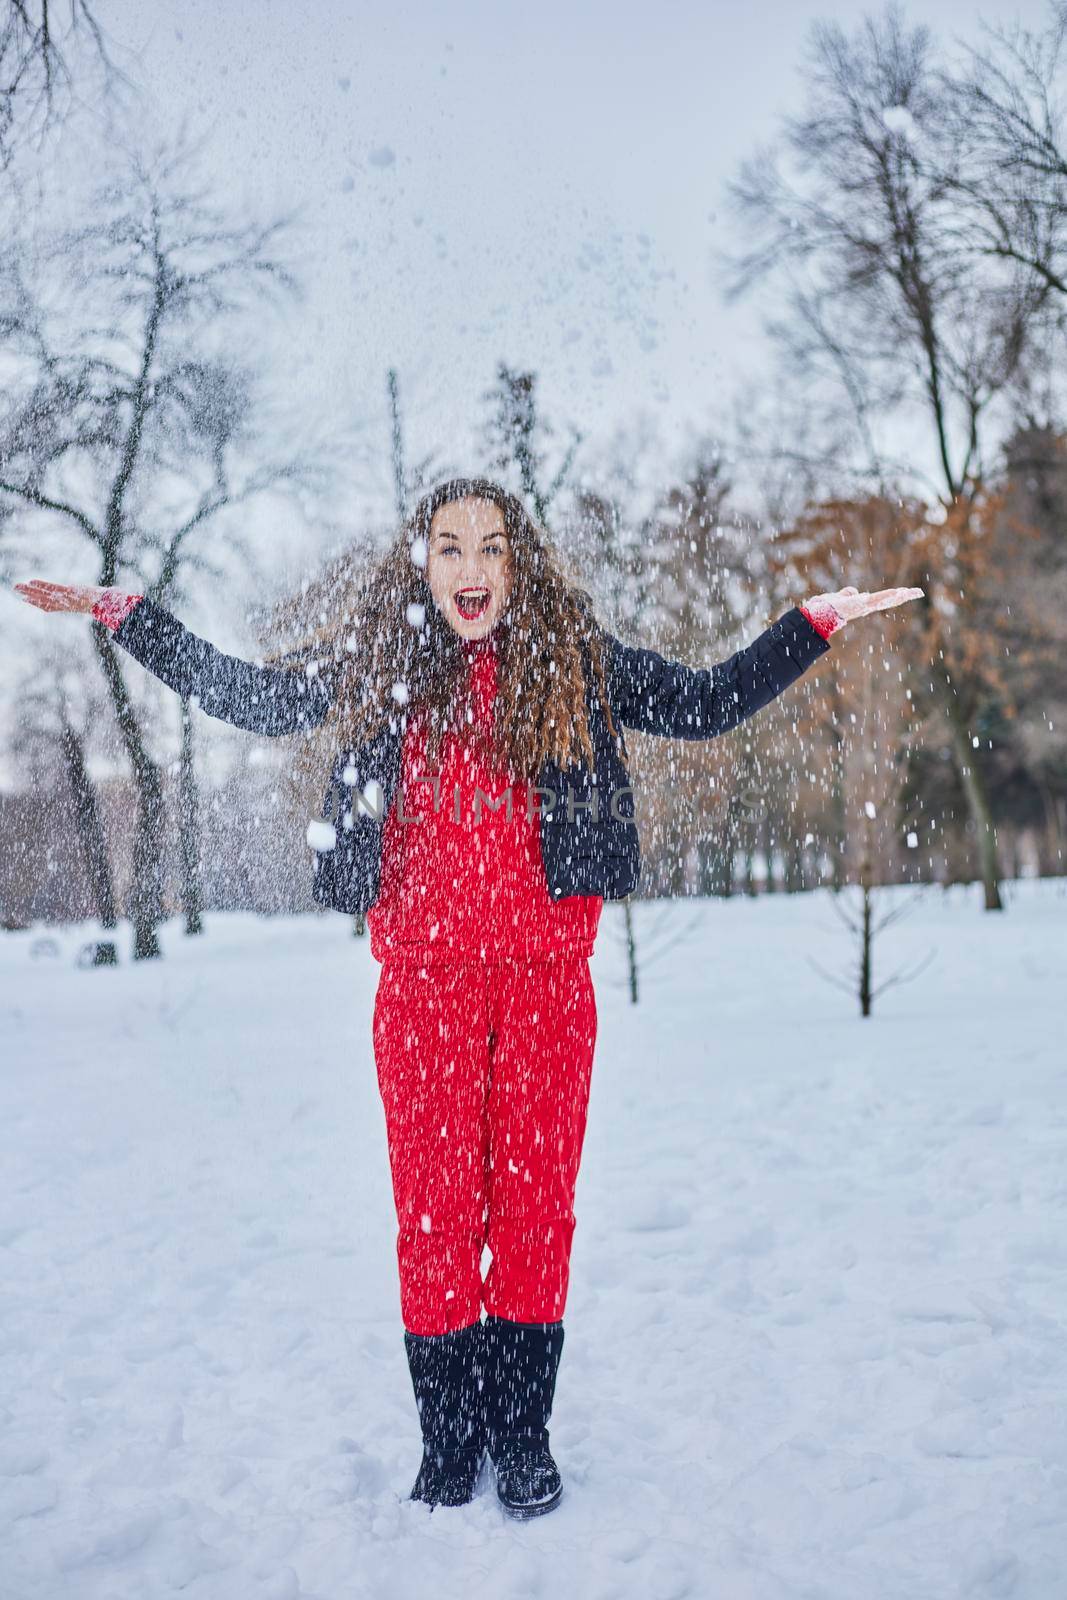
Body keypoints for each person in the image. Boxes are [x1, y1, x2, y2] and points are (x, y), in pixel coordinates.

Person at [12, 476, 923, 1519]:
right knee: (435, 1220)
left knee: (534, 1215)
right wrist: (125, 615)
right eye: (449, 547)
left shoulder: (573, 667)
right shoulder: (378, 670)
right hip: (423, 996)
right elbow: (250, 695)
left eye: (491, 546)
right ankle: (448, 1437)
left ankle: (521, 1435)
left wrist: (810, 624)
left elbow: (702, 703)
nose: (472, 568)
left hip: (546, 991)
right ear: (422, 563)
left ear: (518, 563)